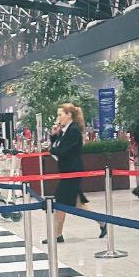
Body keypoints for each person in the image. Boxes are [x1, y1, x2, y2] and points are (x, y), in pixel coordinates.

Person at [44, 103, 85, 243]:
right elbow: (57, 145)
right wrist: (54, 135)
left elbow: (64, 151)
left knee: (60, 201)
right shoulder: (65, 130)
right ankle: (103, 223)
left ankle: (57, 234)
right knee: (79, 203)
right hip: (67, 170)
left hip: (72, 171)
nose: (58, 118)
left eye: (60, 114)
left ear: (69, 115)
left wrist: (52, 150)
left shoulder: (73, 130)